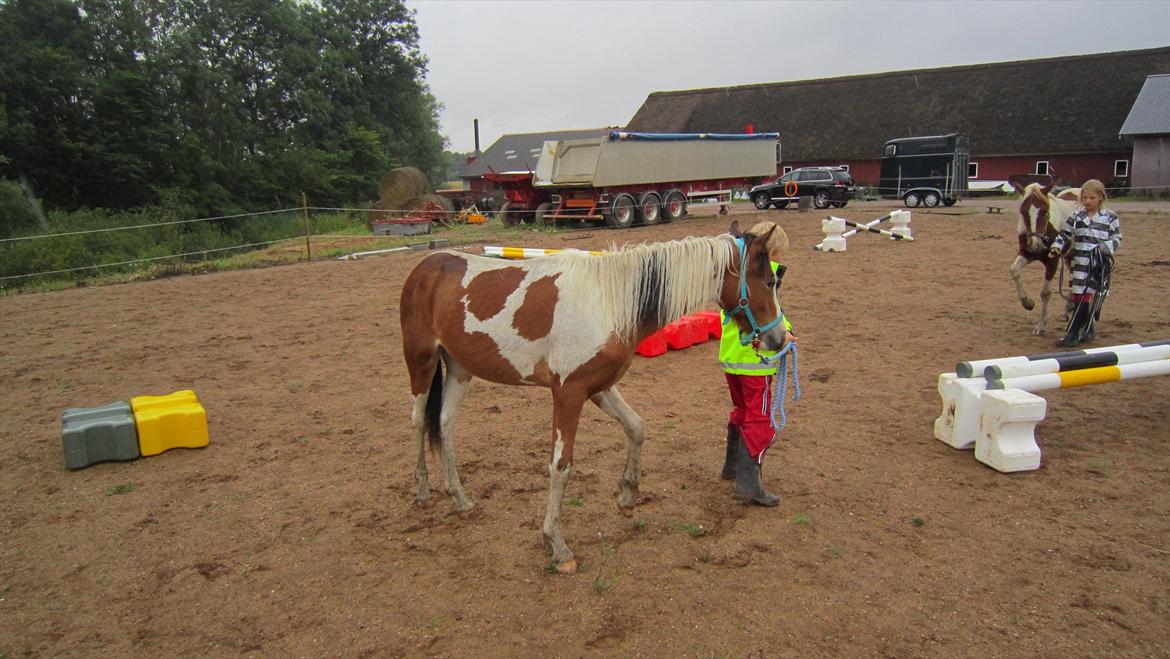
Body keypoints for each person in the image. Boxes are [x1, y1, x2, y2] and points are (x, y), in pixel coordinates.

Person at [718, 221, 797, 507]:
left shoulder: (732, 278)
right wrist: (786, 334)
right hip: (756, 364)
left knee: (740, 411)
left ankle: (732, 467)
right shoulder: (765, 278)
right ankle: (748, 484)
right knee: (758, 417)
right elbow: (772, 318)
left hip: (731, 362)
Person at [1048, 179, 1122, 347]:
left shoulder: (1110, 217)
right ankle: (1088, 330)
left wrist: (1104, 248)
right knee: (1078, 296)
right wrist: (1056, 247)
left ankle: (1071, 334)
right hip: (1079, 263)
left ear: (1100, 198)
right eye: (1085, 198)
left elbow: (1117, 238)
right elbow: (1064, 234)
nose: (1088, 201)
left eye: (1092, 198)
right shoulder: (1076, 216)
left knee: (1085, 297)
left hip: (1097, 265)